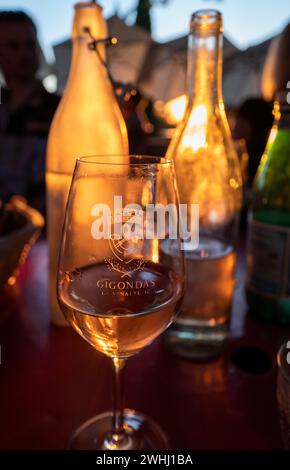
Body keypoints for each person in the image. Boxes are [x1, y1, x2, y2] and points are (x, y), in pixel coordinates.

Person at [0, 11, 60, 215]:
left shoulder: (59, 109)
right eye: (13, 46)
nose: (24, 54)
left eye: (30, 44)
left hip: (46, 232)